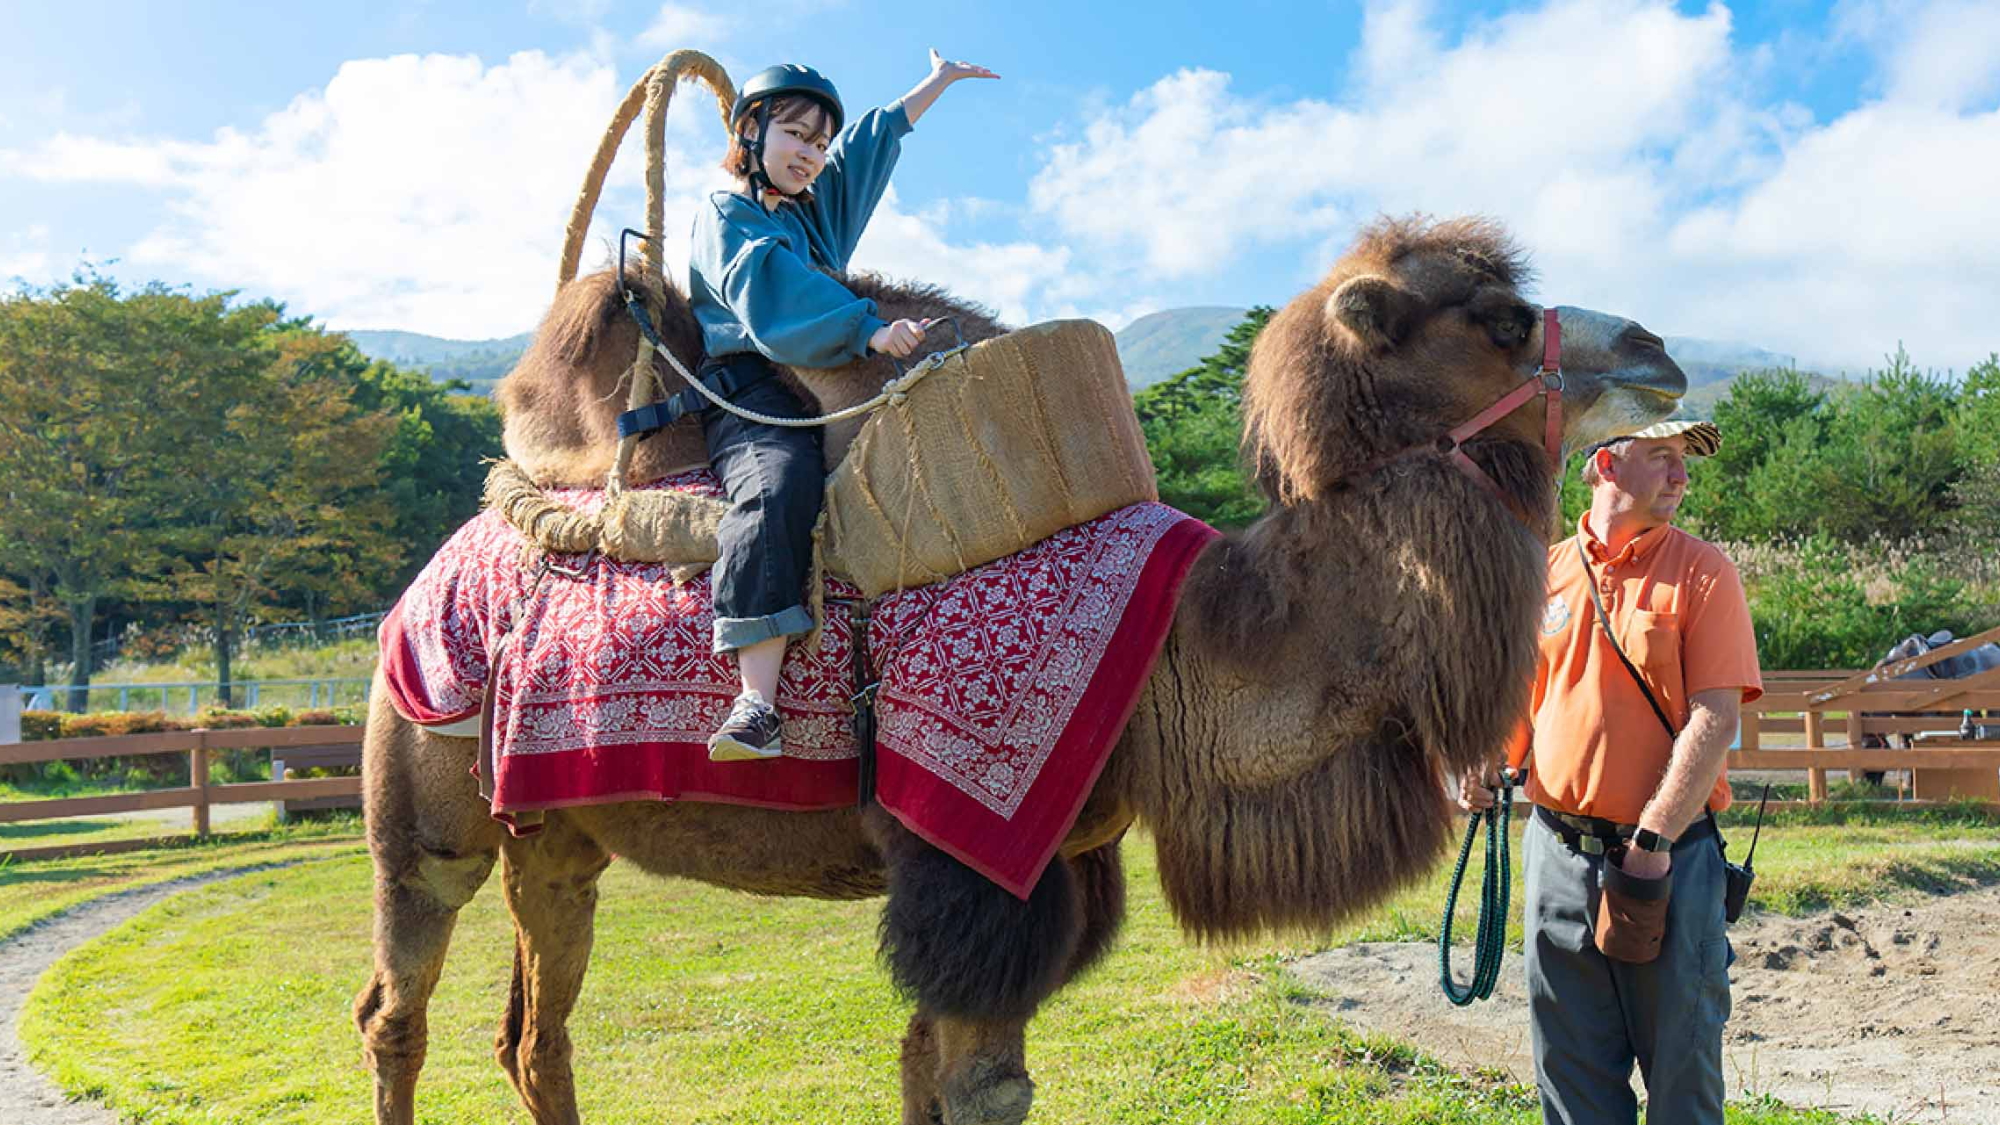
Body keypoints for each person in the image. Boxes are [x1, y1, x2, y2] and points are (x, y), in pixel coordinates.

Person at [687, 50, 998, 761]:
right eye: (795, 134)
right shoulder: (727, 212)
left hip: (824, 379)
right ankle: (756, 701)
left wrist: (936, 83)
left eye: (818, 142)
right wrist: (868, 327)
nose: (811, 153)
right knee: (777, 484)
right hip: (753, 387)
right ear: (752, 132)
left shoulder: (815, 215)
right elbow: (767, 286)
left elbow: (866, 150)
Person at [1461, 419, 1763, 1125]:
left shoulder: (1703, 571)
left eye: (1683, 461)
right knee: (1570, 1077)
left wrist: (1653, 840)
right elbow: (1520, 703)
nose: (1680, 475)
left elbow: (1715, 719)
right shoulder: (1545, 570)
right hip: (1557, 855)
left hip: (1670, 862)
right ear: (1605, 463)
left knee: (1683, 1081)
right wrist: (1485, 762)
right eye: (1661, 457)